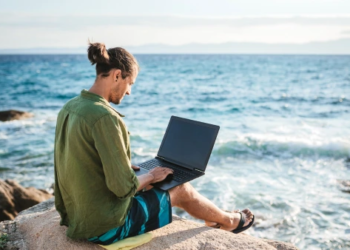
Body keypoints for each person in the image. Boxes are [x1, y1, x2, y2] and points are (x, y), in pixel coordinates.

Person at [54, 42, 254, 245]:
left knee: (149, 182)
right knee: (180, 188)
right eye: (130, 83)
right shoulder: (106, 118)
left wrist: (121, 168)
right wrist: (150, 175)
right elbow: (122, 188)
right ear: (116, 75)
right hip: (105, 227)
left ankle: (214, 218)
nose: (129, 91)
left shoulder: (71, 107)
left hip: (75, 217)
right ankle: (231, 221)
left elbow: (73, 159)